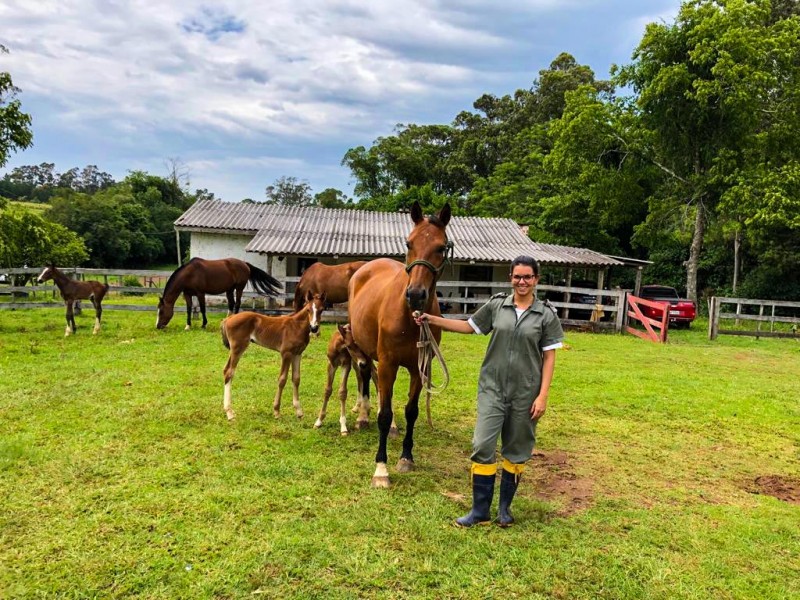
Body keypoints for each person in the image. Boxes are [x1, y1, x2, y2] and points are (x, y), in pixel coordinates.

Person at [415, 255, 564, 527]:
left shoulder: (546, 315)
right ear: (511, 278)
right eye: (517, 276)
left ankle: (504, 510)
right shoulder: (497, 306)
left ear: (536, 280)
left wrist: (542, 396)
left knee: (516, 449)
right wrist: (431, 319)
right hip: (492, 389)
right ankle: (479, 511)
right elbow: (468, 326)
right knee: (483, 444)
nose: (522, 281)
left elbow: (550, 357)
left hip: (526, 393)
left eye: (528, 277)